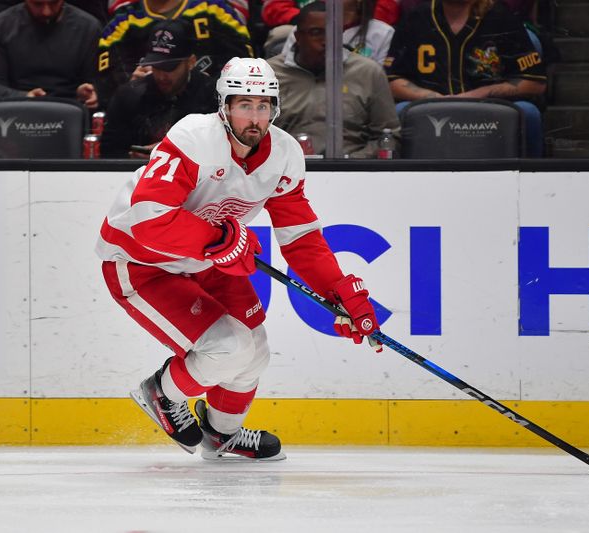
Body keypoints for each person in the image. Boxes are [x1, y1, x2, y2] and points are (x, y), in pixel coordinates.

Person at [95, 56, 382, 459]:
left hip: (205, 258)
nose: (255, 117)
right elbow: (148, 217)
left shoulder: (284, 153)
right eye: (244, 105)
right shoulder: (194, 137)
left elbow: (300, 237)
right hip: (141, 262)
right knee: (228, 349)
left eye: (263, 106)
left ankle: (221, 434)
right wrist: (215, 239)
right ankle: (161, 392)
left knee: (255, 350)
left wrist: (340, 293)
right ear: (224, 107)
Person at [385, 0, 547, 157]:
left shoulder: (501, 16)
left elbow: (535, 83)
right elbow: (392, 80)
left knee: (529, 112)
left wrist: (482, 93)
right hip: (430, 109)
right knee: (400, 111)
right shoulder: (416, 17)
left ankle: (530, 178)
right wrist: (433, 99)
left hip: (490, 110)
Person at [268, 2, 400, 158]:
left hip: (354, 171)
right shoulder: (271, 73)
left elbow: (389, 137)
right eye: (316, 32)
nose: (326, 41)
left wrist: (354, 161)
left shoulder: (368, 72)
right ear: (297, 37)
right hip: (284, 170)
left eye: (334, 33)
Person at [97, 0, 254, 107]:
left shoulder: (215, 10)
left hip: (210, 109)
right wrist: (131, 81)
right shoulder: (123, 21)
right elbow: (106, 78)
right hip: (145, 112)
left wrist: (207, 85)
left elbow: (245, 64)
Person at [100, 19, 217, 158]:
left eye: (169, 68)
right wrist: (131, 157)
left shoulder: (212, 96)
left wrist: (170, 152)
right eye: (156, 66)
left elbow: (222, 150)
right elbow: (109, 152)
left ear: (191, 62)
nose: (162, 76)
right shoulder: (129, 95)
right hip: (137, 174)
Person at [0, 0, 100, 109]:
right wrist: (23, 97)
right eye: (37, 4)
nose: (46, 12)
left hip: (72, 108)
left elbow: (97, 82)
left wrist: (90, 92)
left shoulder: (88, 27)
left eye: (54, 3)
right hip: (16, 110)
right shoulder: (1, 27)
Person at [261, 0, 398, 57]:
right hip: (305, 21)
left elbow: (387, 8)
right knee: (281, 33)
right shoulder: (299, 30)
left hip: (358, 96)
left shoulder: (383, 32)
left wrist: (355, 17)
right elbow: (273, 8)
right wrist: (312, 19)